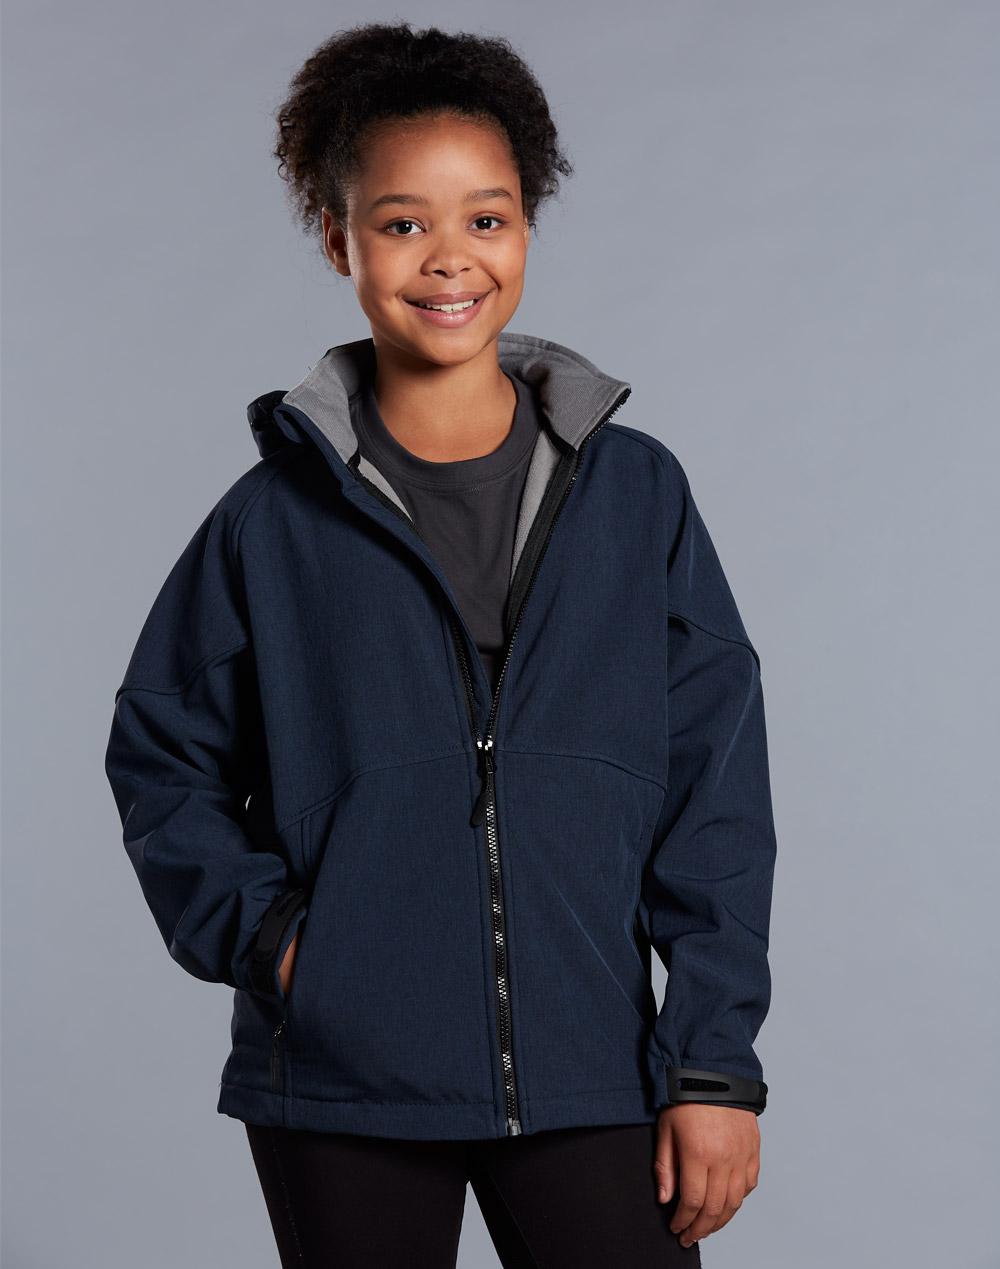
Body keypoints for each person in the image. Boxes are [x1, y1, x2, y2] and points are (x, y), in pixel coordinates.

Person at [104, 20, 778, 1269]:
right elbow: (161, 754)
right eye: (403, 222)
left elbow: (715, 790)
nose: (449, 256)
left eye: (488, 218)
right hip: (343, 1079)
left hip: (592, 1065)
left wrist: (713, 1066)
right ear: (339, 239)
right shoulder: (270, 522)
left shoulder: (635, 493)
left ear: (526, 230)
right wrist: (283, 945)